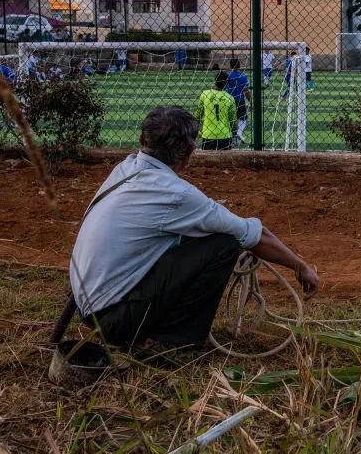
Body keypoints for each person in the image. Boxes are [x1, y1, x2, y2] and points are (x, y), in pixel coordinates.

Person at [69, 106, 319, 363]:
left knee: (198, 237)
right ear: (189, 152)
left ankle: (145, 329)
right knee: (224, 243)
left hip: (86, 304)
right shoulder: (177, 195)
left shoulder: (125, 168)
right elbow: (254, 235)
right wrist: (300, 266)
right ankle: (173, 341)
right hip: (113, 318)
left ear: (142, 140)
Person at [195, 71, 236, 150]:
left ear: (215, 81)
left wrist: (195, 131)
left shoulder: (205, 94)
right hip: (225, 135)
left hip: (208, 135)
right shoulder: (230, 98)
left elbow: (198, 115)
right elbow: (233, 120)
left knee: (207, 161)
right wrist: (234, 133)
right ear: (226, 82)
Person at [225, 59, 252, 144]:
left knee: (230, 119)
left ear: (230, 66)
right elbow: (246, 90)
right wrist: (250, 101)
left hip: (228, 99)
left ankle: (232, 136)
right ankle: (239, 133)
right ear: (239, 66)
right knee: (243, 118)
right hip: (239, 100)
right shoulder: (242, 76)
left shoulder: (227, 76)